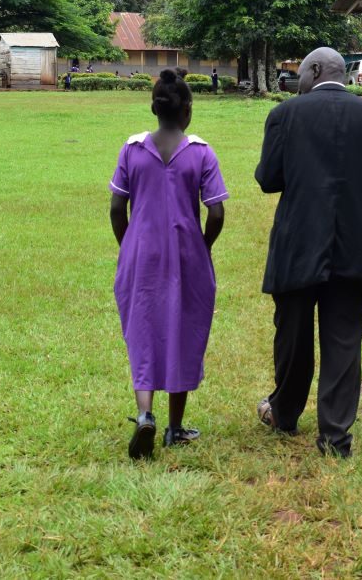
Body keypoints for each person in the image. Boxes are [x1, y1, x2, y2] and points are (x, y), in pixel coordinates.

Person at [254, 47, 362, 458]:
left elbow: (268, 179)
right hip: (357, 245)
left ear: (316, 71)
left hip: (298, 243)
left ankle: (284, 415)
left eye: (301, 72)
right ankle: (335, 438)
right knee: (343, 342)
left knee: (292, 336)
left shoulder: (285, 115)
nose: (297, 80)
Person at [109, 68, 229, 460]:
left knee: (141, 328)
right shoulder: (200, 152)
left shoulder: (132, 149)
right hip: (186, 254)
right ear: (188, 110)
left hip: (140, 253)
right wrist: (204, 246)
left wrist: (128, 245)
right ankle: (175, 428)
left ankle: (145, 415)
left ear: (153, 107)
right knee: (184, 328)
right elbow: (216, 213)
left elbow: (116, 207)